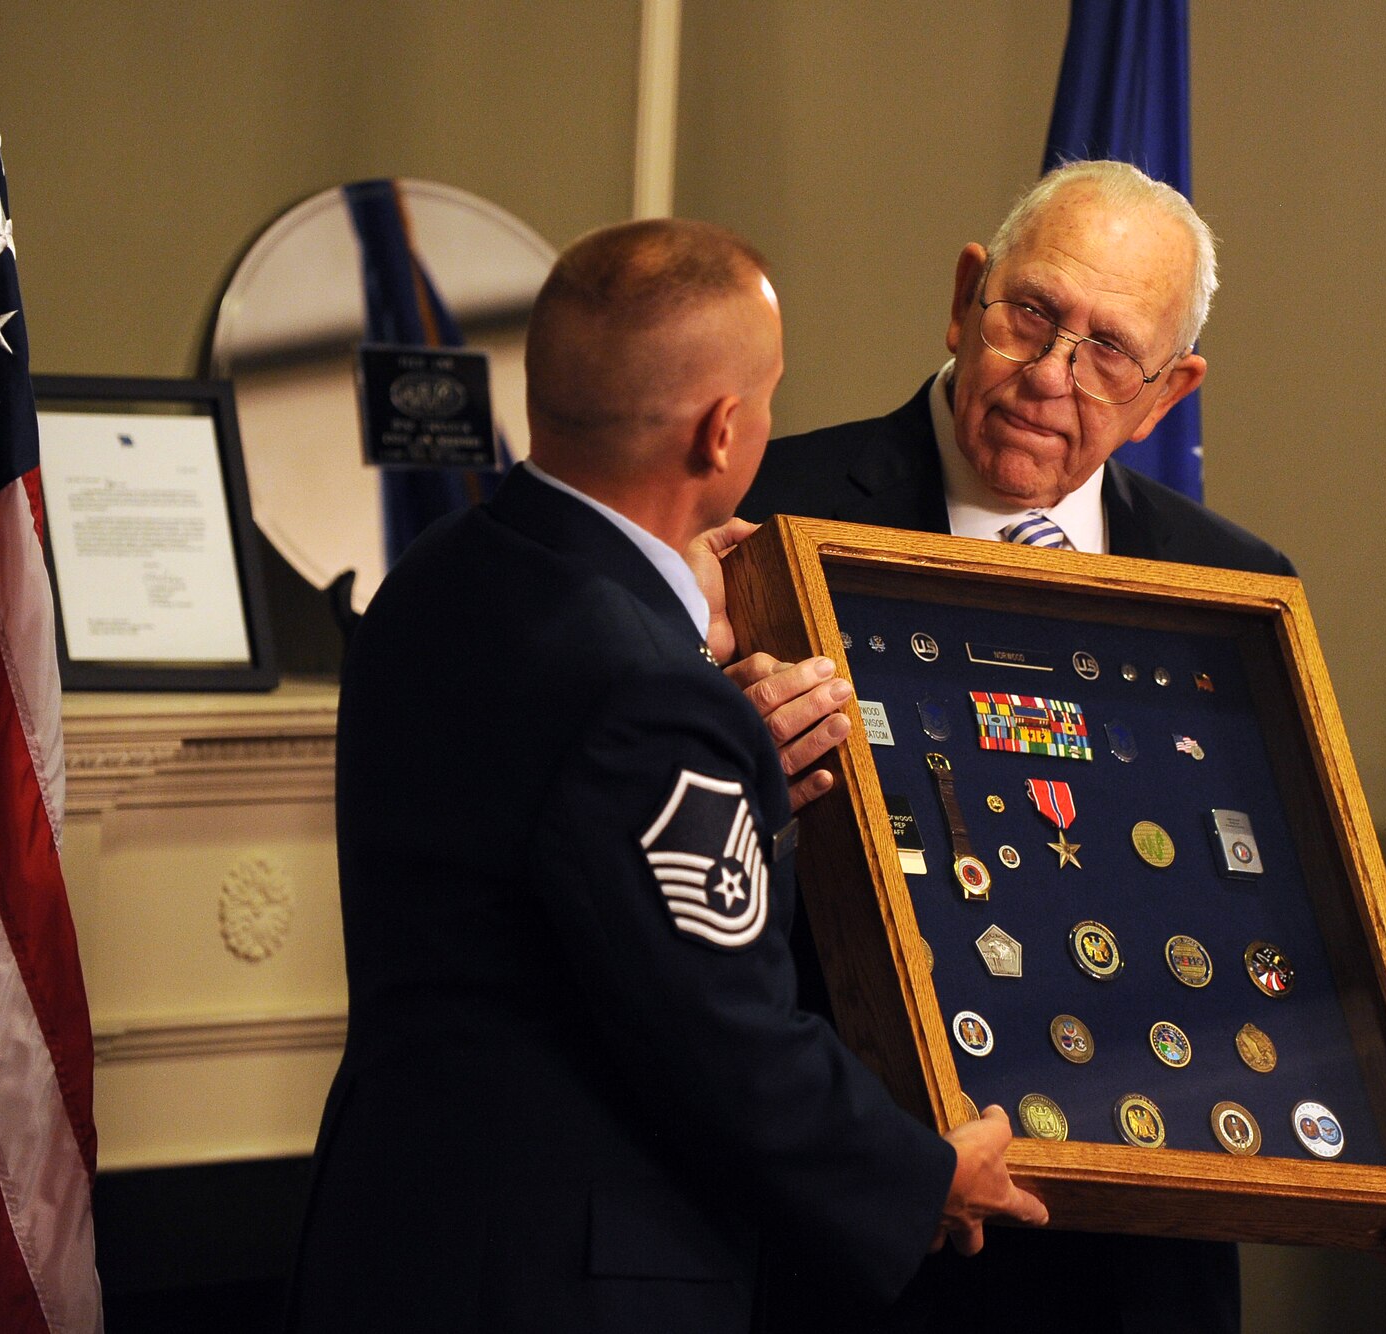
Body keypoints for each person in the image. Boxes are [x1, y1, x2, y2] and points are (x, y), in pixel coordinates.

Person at [737, 160, 1386, 1332]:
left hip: (1140, 1271)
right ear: (964, 298)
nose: (1050, 374)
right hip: (853, 1255)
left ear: (1167, 392)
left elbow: (1295, 905)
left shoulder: (1235, 584)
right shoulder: (759, 514)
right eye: (1030, 314)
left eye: (1107, 350)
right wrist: (728, 755)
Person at [287, 218, 1046, 1333]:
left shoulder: (435, 580)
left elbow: (564, 878)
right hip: (566, 1279)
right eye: (770, 395)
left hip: (400, 1237)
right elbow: (721, 1034)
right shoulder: (643, 684)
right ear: (722, 429)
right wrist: (920, 1176)